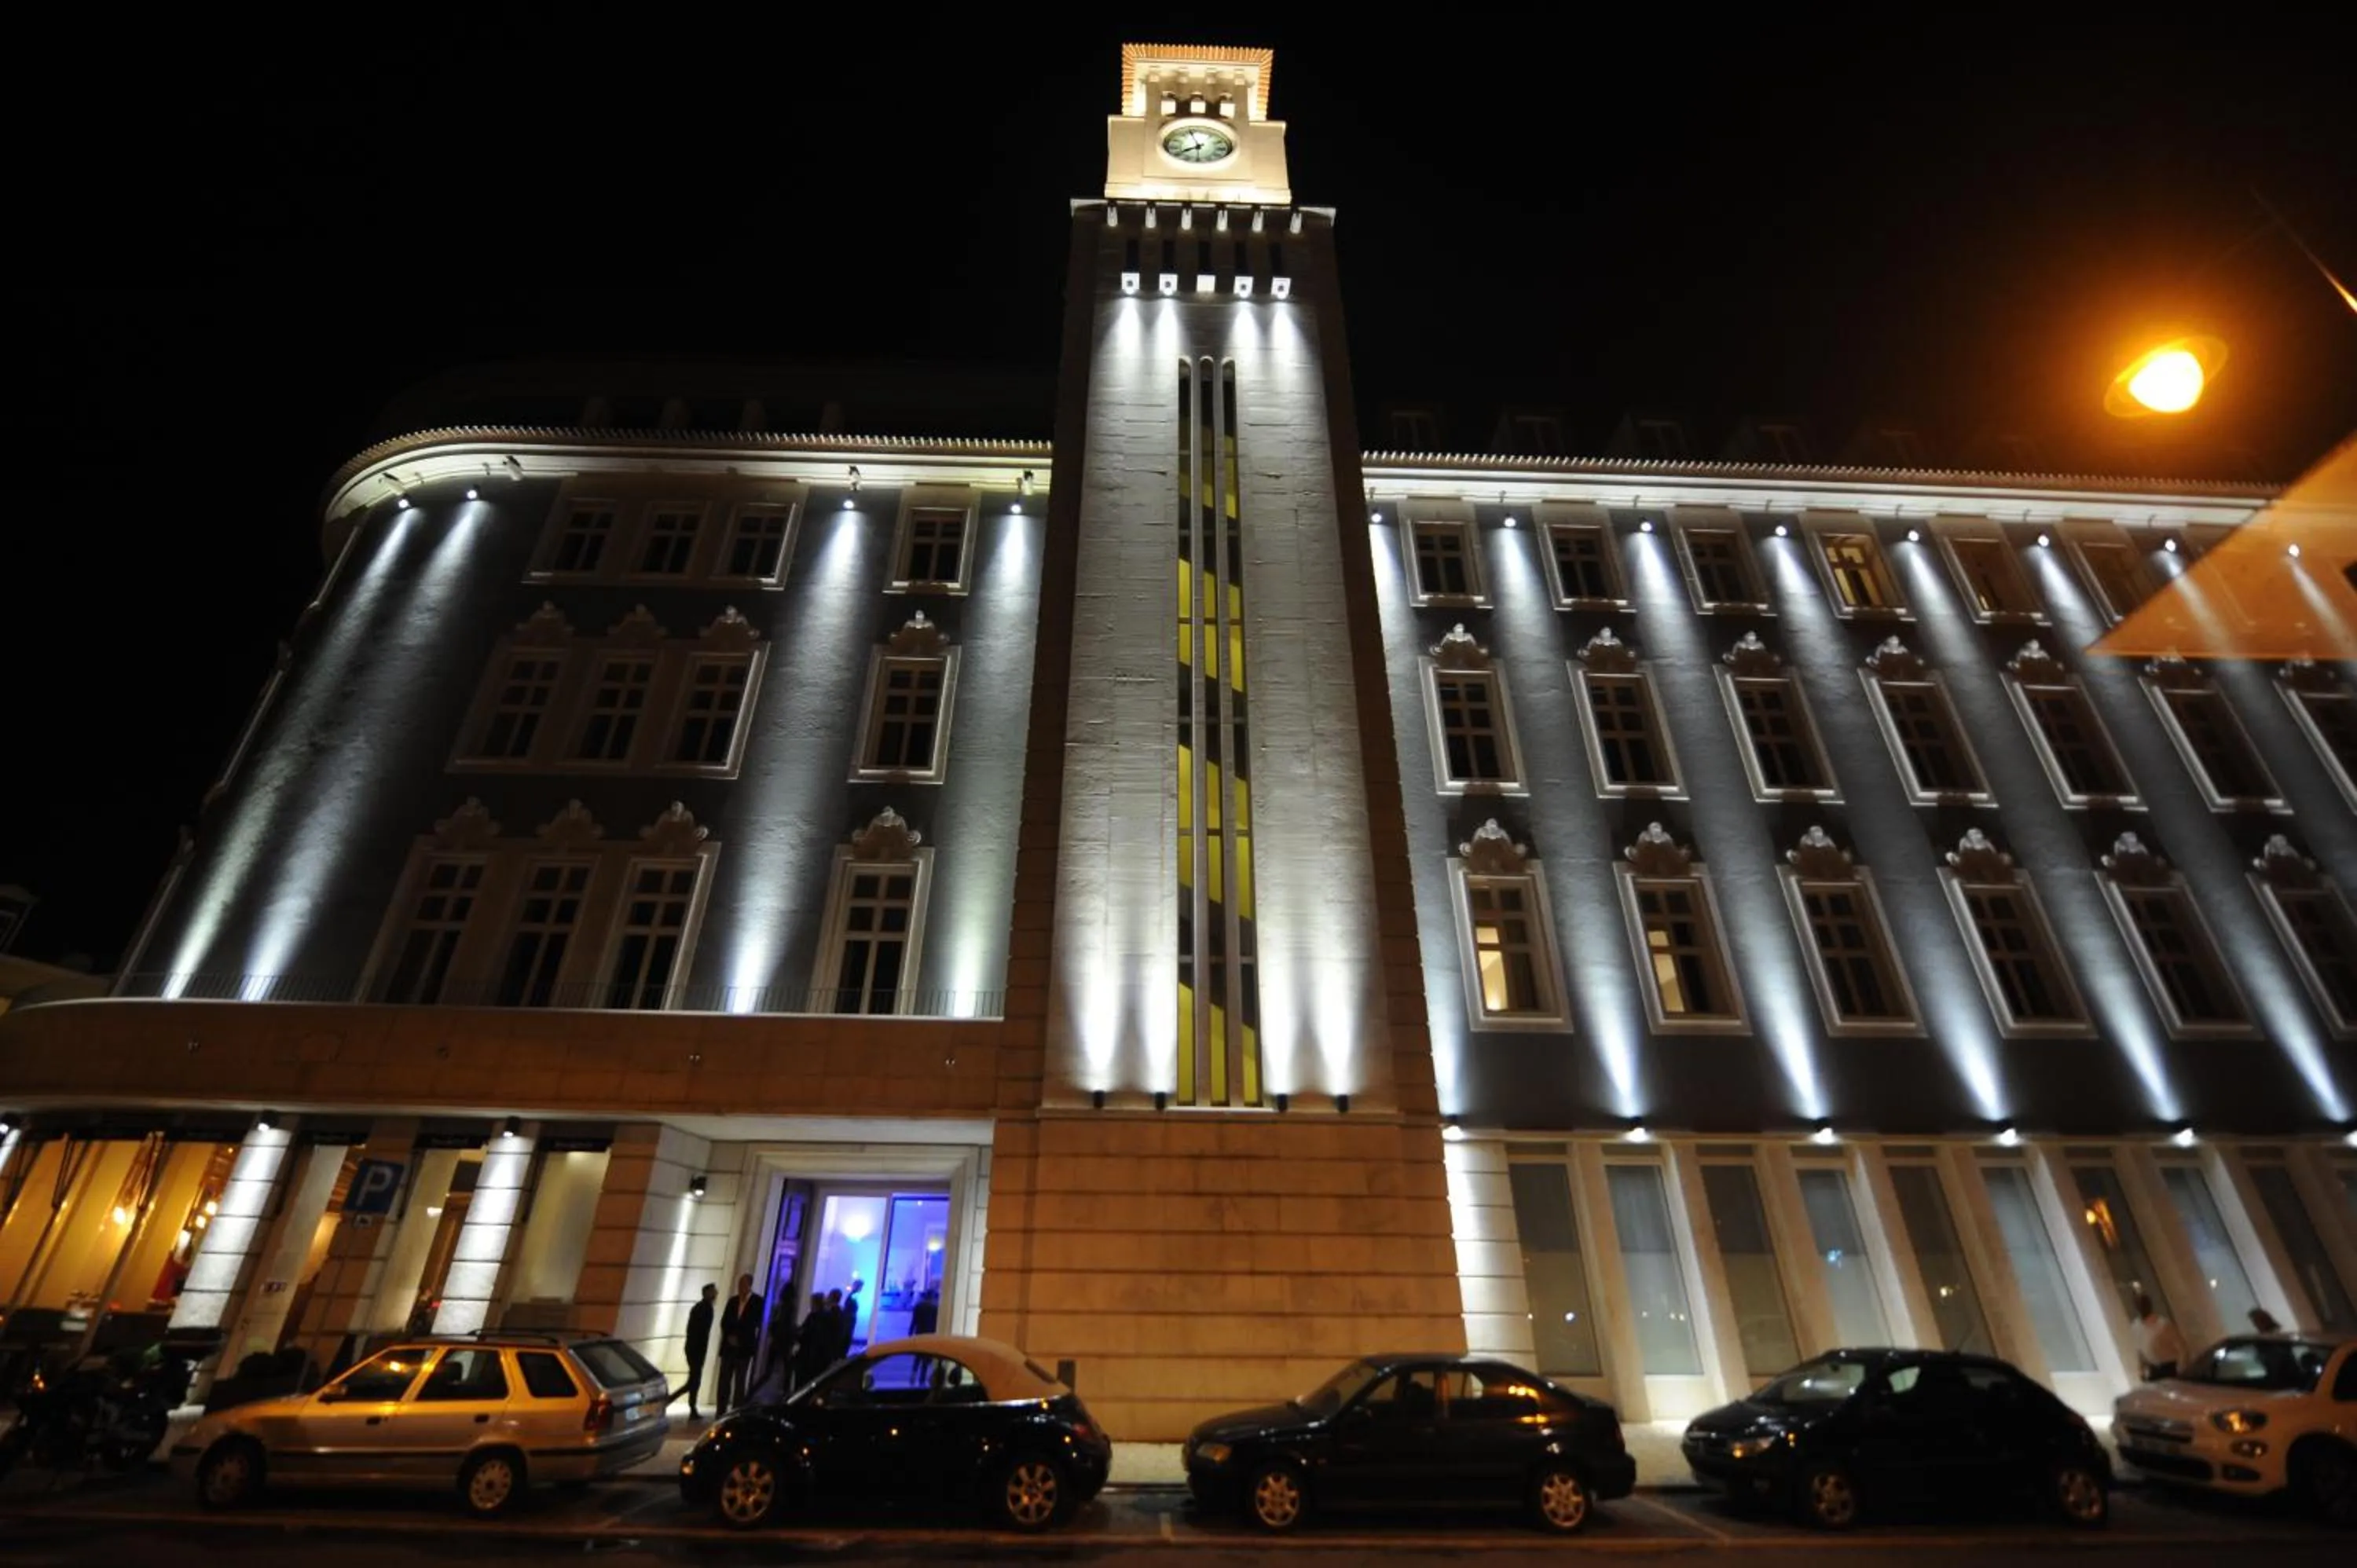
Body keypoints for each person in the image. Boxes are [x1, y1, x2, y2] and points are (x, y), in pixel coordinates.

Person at [717, 1272, 764, 1412]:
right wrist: (729, 1336)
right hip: (729, 1347)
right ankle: (721, 1411)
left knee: (740, 1381)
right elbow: (724, 1321)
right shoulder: (733, 1301)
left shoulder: (758, 1302)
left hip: (744, 1349)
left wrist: (741, 1339)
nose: (740, 1287)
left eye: (743, 1284)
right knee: (724, 1380)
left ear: (749, 1285)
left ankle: (737, 1410)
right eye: (739, 1284)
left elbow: (755, 1323)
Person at [676, 1282, 716, 1417]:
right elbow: (697, 1332)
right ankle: (689, 1407)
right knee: (694, 1381)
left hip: (696, 1349)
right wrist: (697, 1350)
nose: (716, 1293)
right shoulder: (704, 1309)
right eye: (713, 1291)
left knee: (693, 1381)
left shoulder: (703, 1308)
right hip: (696, 1350)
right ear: (707, 1293)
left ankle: (691, 1408)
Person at [2134, 1291, 2187, 1381]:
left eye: (2143, 1304)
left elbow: (2181, 1347)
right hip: (2153, 1370)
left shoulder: (2163, 1324)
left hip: (2169, 1368)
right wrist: (2141, 1371)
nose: (2141, 1307)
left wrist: (2181, 1368)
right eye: (2138, 1305)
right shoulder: (2136, 1327)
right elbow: (2140, 1351)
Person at [793, 1291, 835, 1392]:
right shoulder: (829, 1317)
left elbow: (805, 1334)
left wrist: (797, 1332)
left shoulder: (813, 1317)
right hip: (821, 1359)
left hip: (808, 1358)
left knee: (802, 1386)